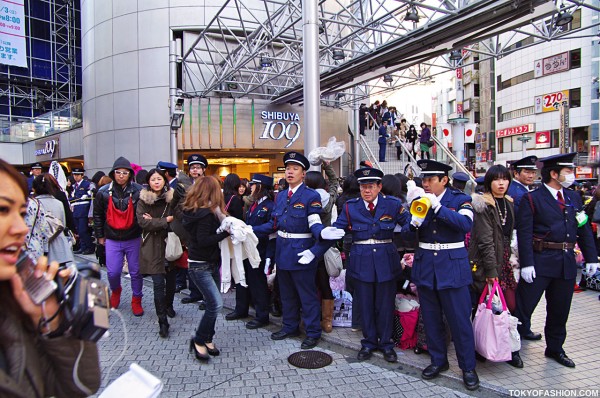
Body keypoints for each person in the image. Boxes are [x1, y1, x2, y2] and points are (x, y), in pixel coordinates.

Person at [0, 159, 101, 397]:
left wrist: (55, 324)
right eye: (3, 210)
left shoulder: (16, 307)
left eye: (22, 212)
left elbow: (81, 385)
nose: (21, 227)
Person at [401, 159, 479, 390]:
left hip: (452, 267)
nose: (425, 184)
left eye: (430, 179)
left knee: (459, 320)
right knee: (432, 318)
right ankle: (438, 361)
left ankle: (467, 367)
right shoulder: (418, 200)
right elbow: (406, 237)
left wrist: (437, 207)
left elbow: (465, 225)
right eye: (424, 179)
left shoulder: (460, 199)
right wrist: (413, 225)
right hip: (426, 267)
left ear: (444, 180)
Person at [253, 151, 343, 350]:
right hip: (283, 251)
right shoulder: (281, 195)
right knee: (286, 293)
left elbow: (314, 223)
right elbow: (275, 223)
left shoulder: (311, 196)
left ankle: (312, 332)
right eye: (288, 168)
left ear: (303, 173)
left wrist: (323, 233)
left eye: (295, 168)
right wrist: (251, 230)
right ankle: (290, 326)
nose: (290, 172)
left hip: (303, 252)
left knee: (307, 294)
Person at [514, 153, 598, 368]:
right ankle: (511, 347)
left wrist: (591, 258)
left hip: (566, 262)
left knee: (560, 310)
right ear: (553, 173)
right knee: (523, 308)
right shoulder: (532, 198)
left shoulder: (573, 197)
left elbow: (584, 227)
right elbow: (524, 233)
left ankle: (555, 348)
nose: (572, 175)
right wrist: (527, 264)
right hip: (540, 261)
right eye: (568, 171)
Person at [330, 167, 410, 362]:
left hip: (385, 259)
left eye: (371, 186)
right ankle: (369, 342)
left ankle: (386, 343)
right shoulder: (351, 206)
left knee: (385, 304)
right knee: (365, 303)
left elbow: (408, 224)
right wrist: (324, 233)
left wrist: (416, 222)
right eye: (363, 187)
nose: (367, 190)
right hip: (361, 260)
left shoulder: (392, 204)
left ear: (379, 187)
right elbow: (338, 227)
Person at [469, 165, 522, 368]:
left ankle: (510, 347)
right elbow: (485, 241)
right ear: (489, 182)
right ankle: (480, 346)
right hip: (486, 264)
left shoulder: (508, 203)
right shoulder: (482, 205)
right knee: (484, 306)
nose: (501, 183)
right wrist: (492, 271)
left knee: (509, 305)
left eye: (505, 179)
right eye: (496, 179)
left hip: (505, 261)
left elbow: (507, 237)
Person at [182, 175, 230, 361]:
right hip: (200, 265)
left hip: (205, 263)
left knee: (212, 304)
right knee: (215, 304)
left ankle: (208, 338)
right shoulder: (205, 214)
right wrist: (223, 234)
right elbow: (203, 241)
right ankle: (199, 339)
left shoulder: (193, 210)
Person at [93, 156, 145, 316]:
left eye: (125, 172)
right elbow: (97, 215)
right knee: (112, 272)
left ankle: (137, 299)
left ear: (130, 174)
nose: (121, 175)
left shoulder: (138, 191)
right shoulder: (103, 192)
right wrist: (100, 236)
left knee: (136, 271)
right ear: (113, 173)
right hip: (112, 238)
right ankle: (116, 291)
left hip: (133, 236)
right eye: (118, 172)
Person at [137, 169, 176, 338]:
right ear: (148, 182)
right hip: (152, 246)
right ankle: (163, 321)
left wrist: (154, 221)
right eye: (153, 179)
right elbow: (143, 223)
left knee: (171, 281)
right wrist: (164, 221)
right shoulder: (143, 200)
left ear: (165, 180)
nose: (157, 182)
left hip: (170, 244)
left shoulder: (172, 199)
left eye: (159, 178)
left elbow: (177, 219)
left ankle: (169, 306)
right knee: (158, 284)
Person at [304, 161, 339, 333]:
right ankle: (327, 322)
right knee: (325, 283)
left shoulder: (304, 198)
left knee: (307, 284)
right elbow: (335, 183)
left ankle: (308, 318)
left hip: (306, 244)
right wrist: (327, 166)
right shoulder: (329, 197)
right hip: (324, 245)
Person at [237, 174, 275, 330]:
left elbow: (272, 226)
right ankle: (243, 309)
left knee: (258, 283)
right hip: (249, 248)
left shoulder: (270, 205)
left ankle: (262, 316)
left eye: (253, 185)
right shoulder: (254, 204)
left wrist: (252, 229)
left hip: (260, 249)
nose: (250, 187)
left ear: (260, 187)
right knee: (246, 279)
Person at [32, 175, 75, 266]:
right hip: (58, 246)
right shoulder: (58, 203)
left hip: (39, 246)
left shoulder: (32, 204)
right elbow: (63, 223)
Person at [70, 167, 94, 255]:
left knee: (83, 230)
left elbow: (91, 195)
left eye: (77, 175)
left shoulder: (87, 184)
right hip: (76, 210)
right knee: (79, 231)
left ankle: (89, 247)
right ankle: (83, 247)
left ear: (82, 175)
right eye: (74, 175)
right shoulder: (74, 186)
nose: (75, 177)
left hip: (83, 211)